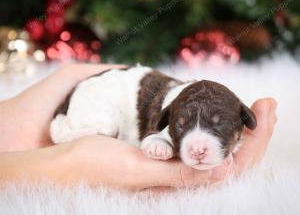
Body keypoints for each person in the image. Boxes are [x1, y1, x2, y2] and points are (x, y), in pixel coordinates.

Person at [0, 64, 277, 191]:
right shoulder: (163, 116)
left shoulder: (197, 105)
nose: (199, 146)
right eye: (181, 127)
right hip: (103, 96)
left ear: (244, 119)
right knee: (104, 123)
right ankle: (69, 130)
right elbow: (154, 138)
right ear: (168, 120)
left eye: (218, 127)